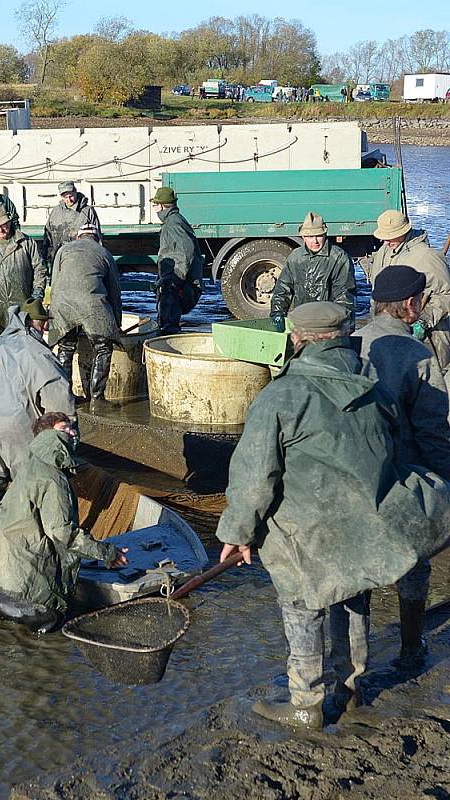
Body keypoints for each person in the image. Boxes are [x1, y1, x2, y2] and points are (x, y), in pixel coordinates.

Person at [215, 301, 449, 730]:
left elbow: (254, 477)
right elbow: (394, 457)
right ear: (343, 337)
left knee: (303, 608)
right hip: (361, 526)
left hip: (303, 533)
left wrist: (237, 532)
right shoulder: (374, 390)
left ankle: (305, 702)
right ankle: (351, 689)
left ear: (297, 339)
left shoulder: (281, 396)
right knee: (353, 600)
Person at [357, 265, 450, 665]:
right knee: (413, 561)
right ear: (411, 306)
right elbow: (434, 431)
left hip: (355, 477)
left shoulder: (348, 342)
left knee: (355, 569)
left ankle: (352, 668)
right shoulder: (416, 354)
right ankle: (412, 647)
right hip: (403, 473)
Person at [0, 411, 129, 632]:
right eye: (63, 429)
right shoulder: (54, 478)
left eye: (71, 428)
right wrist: (108, 553)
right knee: (51, 653)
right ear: (48, 436)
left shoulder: (32, 464)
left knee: (6, 643)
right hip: (27, 591)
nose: (71, 433)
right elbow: (62, 533)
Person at [0, 300, 75, 530]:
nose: (45, 329)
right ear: (36, 325)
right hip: (21, 432)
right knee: (30, 489)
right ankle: (31, 537)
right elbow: (59, 404)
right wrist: (69, 435)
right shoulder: (40, 355)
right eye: (43, 324)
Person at [364, 209, 450, 386]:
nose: (386, 241)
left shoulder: (428, 256)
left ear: (404, 231)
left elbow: (447, 296)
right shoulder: (384, 251)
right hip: (389, 331)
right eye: (384, 236)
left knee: (431, 386)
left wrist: (424, 320)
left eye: (391, 236)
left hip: (428, 337)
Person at [51, 224, 123, 411]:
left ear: (78, 237)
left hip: (62, 304)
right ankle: (97, 399)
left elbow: (54, 283)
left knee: (65, 347)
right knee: (103, 347)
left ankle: (65, 398)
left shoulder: (63, 250)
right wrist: (117, 322)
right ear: (97, 238)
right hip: (91, 304)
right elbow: (114, 292)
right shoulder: (104, 253)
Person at [270, 211, 356, 332]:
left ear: (325, 235)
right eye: (310, 237)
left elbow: (345, 297)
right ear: (303, 237)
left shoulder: (339, 258)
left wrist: (339, 327)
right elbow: (283, 288)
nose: (315, 241)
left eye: (319, 236)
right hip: (302, 321)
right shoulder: (295, 257)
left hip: (328, 324)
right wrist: (277, 312)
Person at [0, 204, 46, 334]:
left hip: (23, 307)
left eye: (3, 224)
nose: (0, 229)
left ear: (9, 222)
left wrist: (37, 296)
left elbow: (39, 270)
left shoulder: (26, 243)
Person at [151, 186, 204, 333]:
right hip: (172, 282)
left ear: (161, 206)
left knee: (169, 326)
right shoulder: (175, 220)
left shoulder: (172, 224)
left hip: (173, 284)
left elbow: (186, 252)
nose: (154, 209)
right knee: (168, 321)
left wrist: (175, 280)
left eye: (155, 205)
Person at [41, 180, 101, 267]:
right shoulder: (55, 212)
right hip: (58, 260)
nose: (69, 200)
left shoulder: (87, 211)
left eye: (71, 196)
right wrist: (46, 256)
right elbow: (48, 236)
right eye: (65, 197)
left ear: (76, 192)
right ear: (61, 197)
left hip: (81, 260)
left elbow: (97, 237)